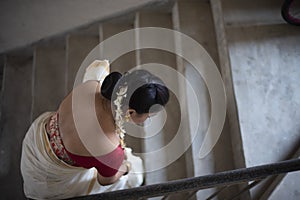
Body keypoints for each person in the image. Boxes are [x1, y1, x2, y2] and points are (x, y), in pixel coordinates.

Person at [20, 60, 169, 199]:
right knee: (134, 174)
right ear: (131, 112)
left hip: (38, 136)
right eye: (149, 116)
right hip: (51, 176)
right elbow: (105, 181)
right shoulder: (109, 147)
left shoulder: (91, 86)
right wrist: (126, 168)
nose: (147, 120)